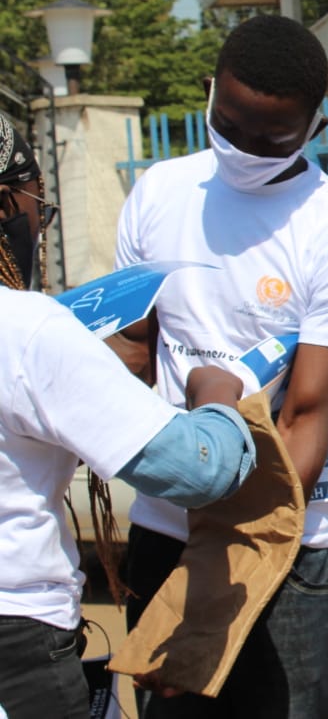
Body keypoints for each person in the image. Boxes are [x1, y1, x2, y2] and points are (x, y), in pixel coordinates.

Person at [111, 14, 328, 718]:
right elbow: (132, 355)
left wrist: (207, 594)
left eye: (272, 139)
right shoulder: (157, 195)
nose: (244, 149)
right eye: (228, 126)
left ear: (316, 128)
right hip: (162, 535)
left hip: (281, 552)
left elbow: (303, 424)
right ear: (211, 93)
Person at [0, 114, 255, 719]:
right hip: (17, 647)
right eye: (41, 205)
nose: (39, 224)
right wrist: (219, 393)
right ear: (8, 202)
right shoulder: (27, 330)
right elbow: (199, 471)